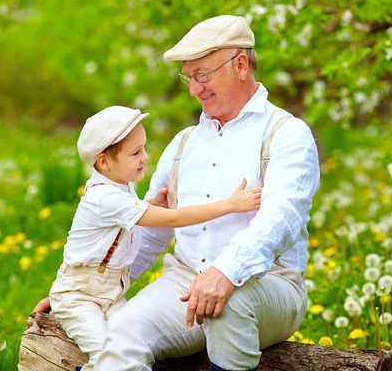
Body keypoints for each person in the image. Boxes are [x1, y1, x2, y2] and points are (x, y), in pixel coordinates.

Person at [35, 15, 320, 371]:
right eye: (188, 77)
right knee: (122, 335)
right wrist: (88, 293)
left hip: (268, 286)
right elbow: (152, 233)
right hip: (184, 283)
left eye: (203, 75)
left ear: (241, 65)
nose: (193, 89)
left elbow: (282, 219)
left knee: (228, 304)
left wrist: (226, 272)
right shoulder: (184, 142)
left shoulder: (286, 133)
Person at [48, 105, 262, 371]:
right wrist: (230, 205)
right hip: (79, 296)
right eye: (136, 152)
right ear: (104, 162)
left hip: (110, 293)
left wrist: (150, 203)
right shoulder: (103, 196)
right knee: (108, 352)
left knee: (125, 339)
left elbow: (122, 220)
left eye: (144, 148)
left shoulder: (119, 184)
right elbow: (173, 219)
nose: (145, 157)